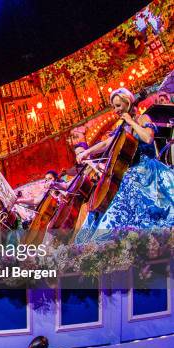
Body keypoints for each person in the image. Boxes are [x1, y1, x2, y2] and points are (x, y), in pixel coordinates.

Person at [75, 88, 174, 242]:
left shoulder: (143, 118)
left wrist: (130, 121)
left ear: (128, 104)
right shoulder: (121, 128)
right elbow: (107, 143)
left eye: (118, 106)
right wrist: (86, 153)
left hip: (148, 170)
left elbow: (148, 138)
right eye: (114, 107)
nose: (115, 110)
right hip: (130, 174)